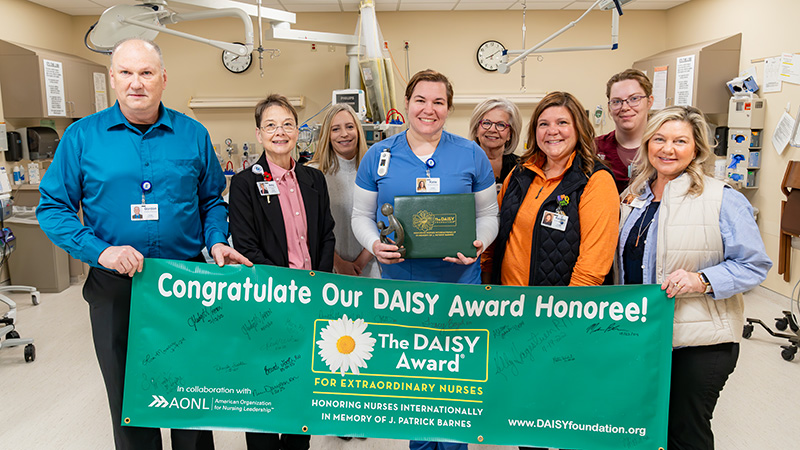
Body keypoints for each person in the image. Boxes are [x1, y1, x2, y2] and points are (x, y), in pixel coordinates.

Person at [36, 38, 252, 450]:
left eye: (147, 73)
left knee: (191, 394)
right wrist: (100, 251)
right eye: (127, 72)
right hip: (116, 287)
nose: (136, 82)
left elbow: (211, 200)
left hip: (186, 285)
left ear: (163, 79)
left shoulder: (192, 134)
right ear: (113, 78)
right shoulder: (82, 138)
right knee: (129, 400)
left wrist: (216, 241)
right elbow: (53, 208)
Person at [352, 69, 498, 450]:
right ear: (406, 104)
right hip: (403, 287)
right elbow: (360, 216)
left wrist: (479, 243)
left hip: (458, 285)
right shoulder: (378, 156)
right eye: (420, 100)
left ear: (449, 108)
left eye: (438, 102)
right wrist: (374, 244)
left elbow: (489, 215)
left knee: (456, 379)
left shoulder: (471, 154)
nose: (428, 109)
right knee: (415, 380)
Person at [615, 105, 771, 450]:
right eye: (659, 139)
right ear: (647, 144)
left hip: (699, 340)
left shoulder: (721, 198)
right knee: (644, 429)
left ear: (697, 148)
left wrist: (703, 280)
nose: (667, 149)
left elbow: (754, 265)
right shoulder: (633, 196)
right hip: (642, 336)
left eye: (680, 141)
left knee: (684, 433)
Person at [228, 94, 335, 450]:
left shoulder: (313, 179)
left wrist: (317, 286)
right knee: (263, 387)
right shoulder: (244, 184)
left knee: (300, 388)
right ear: (259, 134)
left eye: (288, 124)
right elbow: (247, 247)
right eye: (271, 125)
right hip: (268, 302)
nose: (280, 132)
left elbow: (326, 234)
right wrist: (288, 291)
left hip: (311, 301)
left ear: (297, 132)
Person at [482, 91, 619, 290]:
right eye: (543, 124)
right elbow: (494, 237)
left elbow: (592, 268)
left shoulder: (596, 181)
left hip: (556, 305)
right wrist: (486, 289)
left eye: (562, 122)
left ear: (578, 128)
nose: (552, 131)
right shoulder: (519, 173)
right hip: (506, 301)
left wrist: (564, 307)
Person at [307, 103, 378, 279]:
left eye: (349, 127)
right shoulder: (313, 174)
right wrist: (338, 263)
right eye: (335, 129)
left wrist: (360, 263)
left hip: (371, 267)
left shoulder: (375, 170)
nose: (344, 134)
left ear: (358, 130)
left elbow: (381, 222)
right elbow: (310, 228)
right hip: (330, 269)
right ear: (327, 135)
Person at [596, 69, 654, 193]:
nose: (625, 107)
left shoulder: (664, 148)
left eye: (634, 99)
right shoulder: (594, 148)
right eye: (617, 101)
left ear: (649, 102)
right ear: (609, 108)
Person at [468, 97, 522, 191]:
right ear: (476, 130)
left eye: (501, 125)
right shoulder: (462, 164)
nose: (492, 129)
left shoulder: (522, 167)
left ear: (509, 134)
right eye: (486, 123)